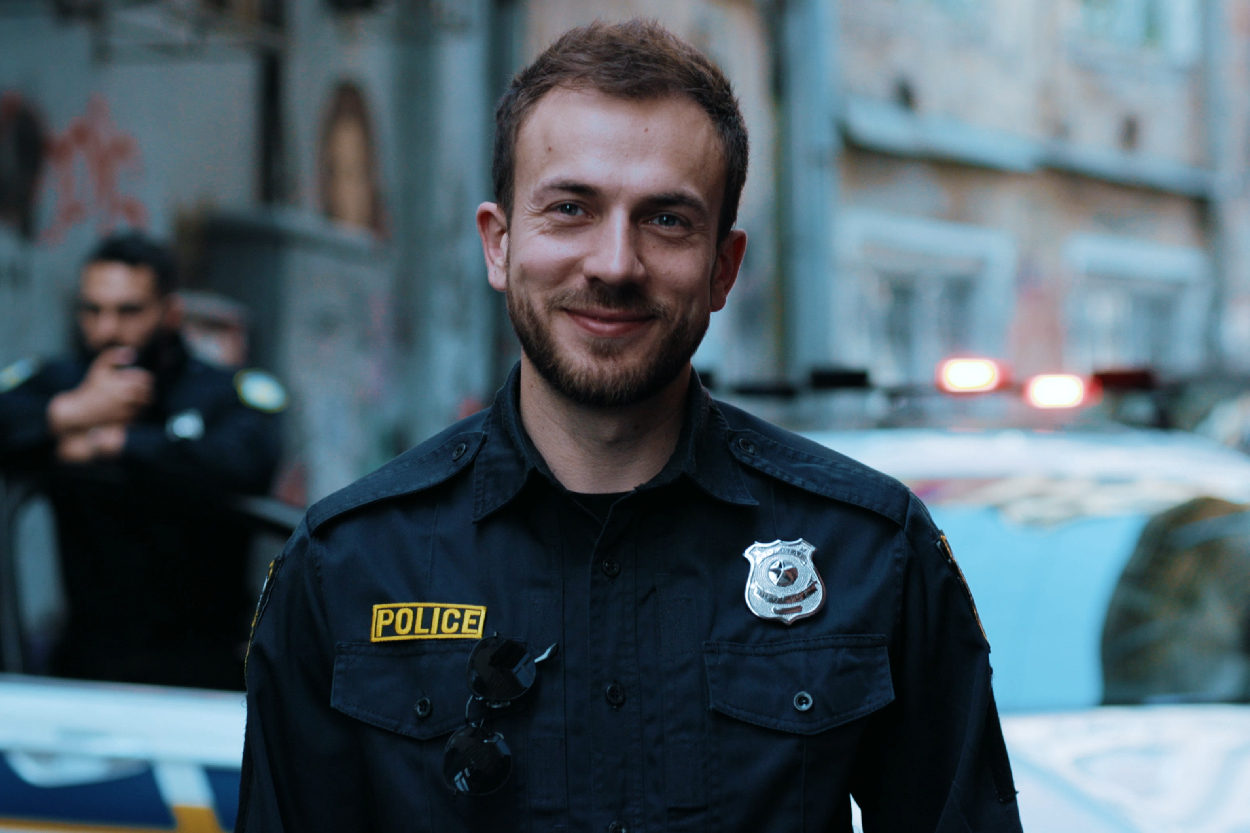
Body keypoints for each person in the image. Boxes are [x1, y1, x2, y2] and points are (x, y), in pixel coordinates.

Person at [240, 20, 1022, 832]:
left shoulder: (870, 550)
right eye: (571, 208)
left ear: (723, 268)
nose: (615, 263)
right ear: (498, 244)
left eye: (667, 220)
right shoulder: (348, 565)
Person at [0, 232, 284, 690]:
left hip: (204, 671)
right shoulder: (61, 383)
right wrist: (72, 413)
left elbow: (247, 460)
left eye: (128, 311)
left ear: (170, 313)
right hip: (87, 668)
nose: (107, 330)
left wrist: (112, 442)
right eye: (92, 310)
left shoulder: (223, 392)